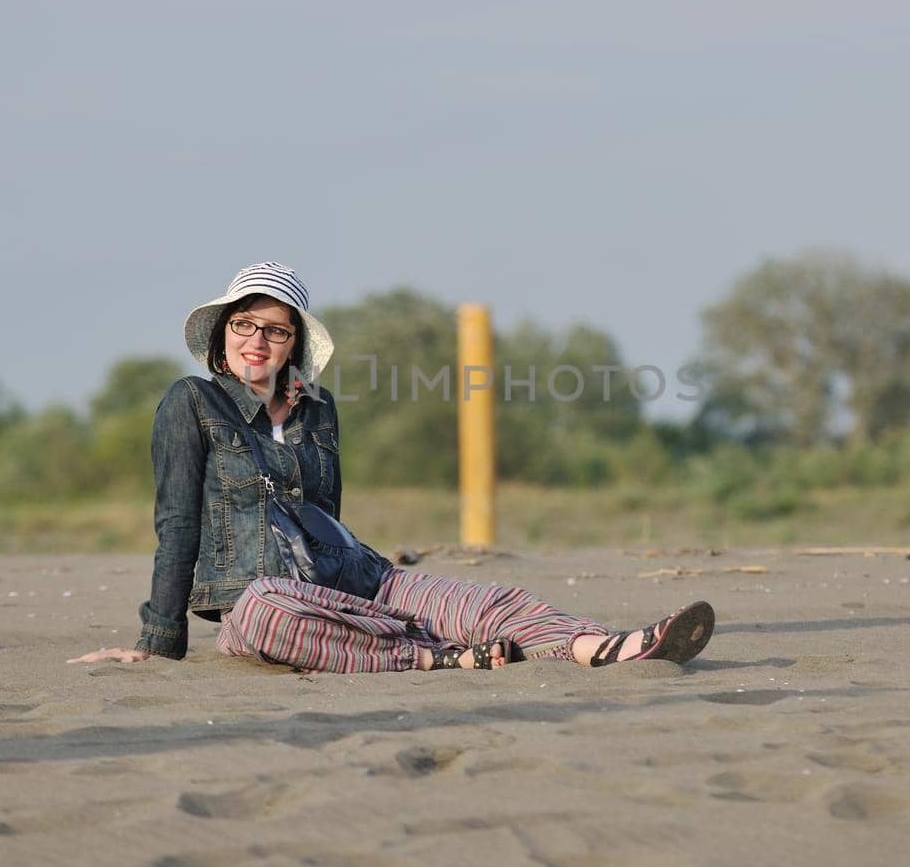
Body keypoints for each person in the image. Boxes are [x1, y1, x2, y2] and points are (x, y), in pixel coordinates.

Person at [70, 262, 715, 673]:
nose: (257, 342)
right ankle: (433, 655)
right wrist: (160, 641)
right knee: (269, 612)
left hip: (354, 580)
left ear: (295, 344)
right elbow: (178, 519)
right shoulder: (192, 402)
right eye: (245, 325)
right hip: (258, 601)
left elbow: (328, 517)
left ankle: (611, 646)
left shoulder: (317, 410)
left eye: (276, 331)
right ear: (222, 336)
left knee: (482, 596)